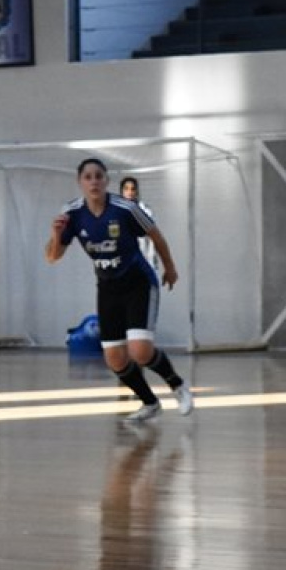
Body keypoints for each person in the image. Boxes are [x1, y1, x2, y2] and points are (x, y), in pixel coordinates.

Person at [46, 158, 193, 422]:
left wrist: (170, 268)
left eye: (98, 176)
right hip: (108, 289)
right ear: (80, 182)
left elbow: (156, 236)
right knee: (114, 359)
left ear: (106, 180)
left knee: (140, 351)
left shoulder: (125, 209)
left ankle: (178, 385)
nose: (94, 181)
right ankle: (150, 403)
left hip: (138, 283)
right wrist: (56, 235)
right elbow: (53, 257)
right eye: (88, 177)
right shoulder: (71, 213)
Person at [119, 176, 160, 274]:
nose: (129, 192)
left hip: (143, 260)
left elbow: (153, 239)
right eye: (126, 189)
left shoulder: (145, 211)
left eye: (133, 189)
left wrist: (151, 263)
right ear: (121, 192)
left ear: (136, 192)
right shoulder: (116, 212)